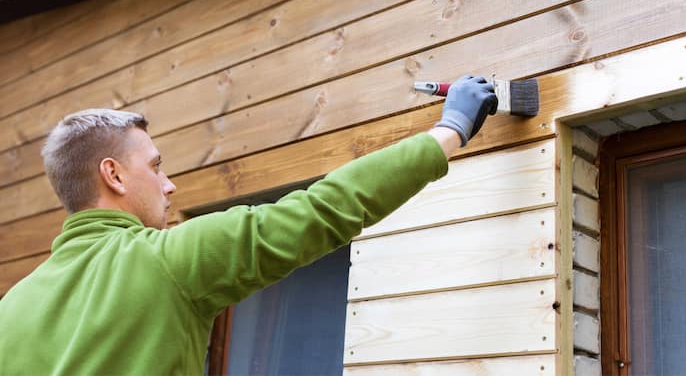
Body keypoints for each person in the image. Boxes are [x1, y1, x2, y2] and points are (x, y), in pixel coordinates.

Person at [0, 75, 497, 375]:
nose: (169, 185)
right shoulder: (167, 260)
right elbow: (322, 209)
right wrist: (449, 131)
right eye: (155, 167)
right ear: (113, 174)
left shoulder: (12, 309)